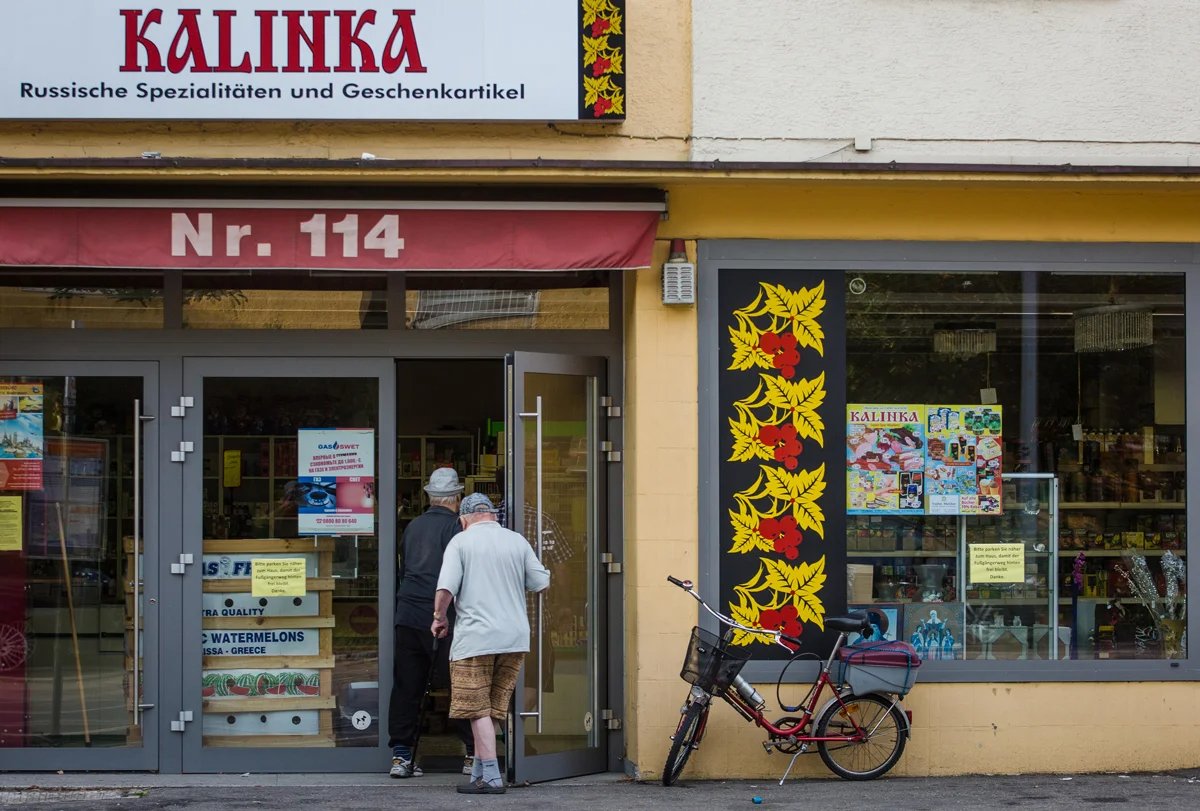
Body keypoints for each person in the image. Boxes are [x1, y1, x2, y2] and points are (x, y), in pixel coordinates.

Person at [432, 492, 550, 795]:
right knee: (494, 706)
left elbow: (446, 587)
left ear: (464, 518)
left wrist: (439, 617)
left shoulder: (461, 542)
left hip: (476, 638)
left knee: (475, 707)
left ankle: (492, 778)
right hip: (514, 637)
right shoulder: (516, 541)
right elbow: (541, 582)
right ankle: (482, 771)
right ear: (493, 515)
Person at [388, 467, 473, 779]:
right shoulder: (456, 527)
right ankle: (473, 754)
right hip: (444, 617)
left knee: (407, 686)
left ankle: (401, 755)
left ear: (430, 497)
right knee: (460, 686)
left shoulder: (412, 527)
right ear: (457, 498)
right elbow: (462, 576)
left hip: (408, 613)